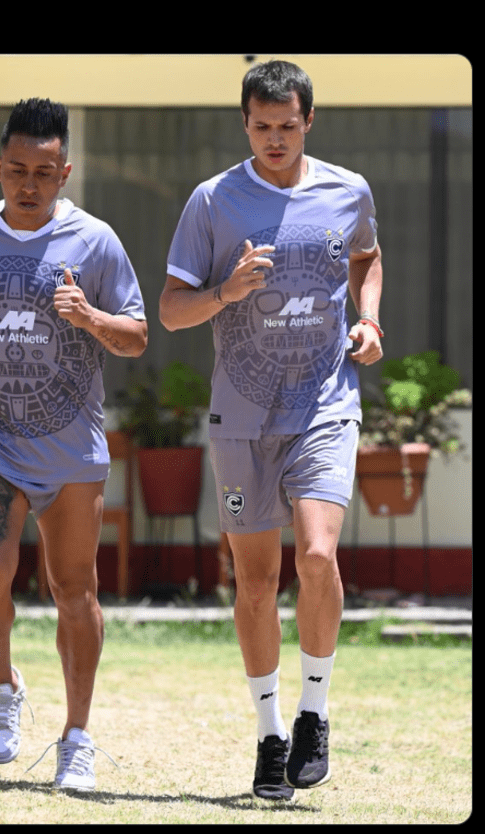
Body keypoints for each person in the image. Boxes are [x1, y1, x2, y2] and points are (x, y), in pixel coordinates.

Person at [160, 59, 383, 804]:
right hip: (242, 417)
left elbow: (366, 254)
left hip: (324, 403)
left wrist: (370, 317)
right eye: (261, 127)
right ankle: (269, 732)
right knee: (255, 582)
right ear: (244, 123)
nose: (275, 139)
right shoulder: (213, 201)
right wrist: (225, 291)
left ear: (309, 120)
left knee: (317, 555)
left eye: (288, 126)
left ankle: (315, 713)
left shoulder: (346, 189)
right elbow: (170, 308)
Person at [0, 98, 147, 791]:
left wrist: (93, 315)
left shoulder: (97, 241)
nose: (28, 183)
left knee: (74, 589)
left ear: (65, 171)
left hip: (70, 444)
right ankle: (3, 683)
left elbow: (137, 335)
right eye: (16, 168)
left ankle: (76, 735)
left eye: (44, 172)